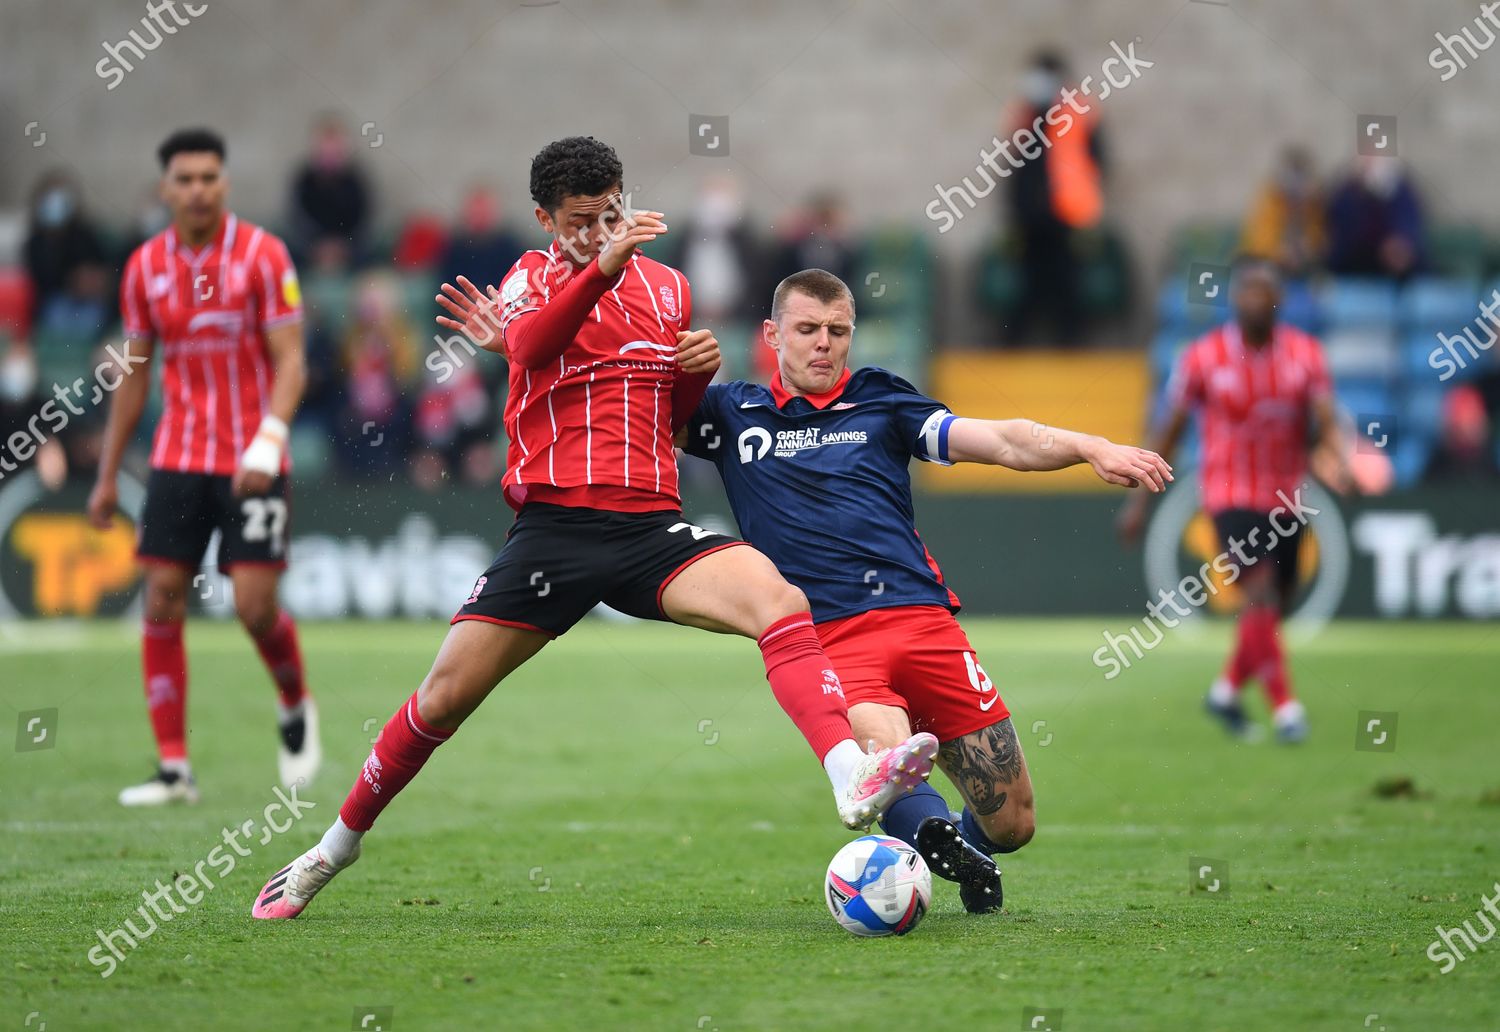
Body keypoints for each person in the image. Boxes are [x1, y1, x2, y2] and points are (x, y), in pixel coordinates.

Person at [250, 137, 936, 921]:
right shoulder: (529, 280)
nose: (602, 231)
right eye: (582, 221)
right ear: (544, 218)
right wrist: (598, 269)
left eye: (612, 212)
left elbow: (672, 422)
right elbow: (532, 349)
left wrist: (695, 379)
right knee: (440, 701)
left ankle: (849, 772)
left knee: (779, 599)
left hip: (649, 527)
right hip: (553, 534)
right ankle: (334, 846)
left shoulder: (668, 288)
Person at [680, 268, 1171, 912]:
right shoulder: (729, 413)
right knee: (888, 767)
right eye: (807, 330)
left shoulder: (884, 401)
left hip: (923, 624)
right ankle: (941, 850)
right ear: (772, 335)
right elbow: (622, 415)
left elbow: (1000, 440)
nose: (824, 344)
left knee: (1013, 822)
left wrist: (1088, 444)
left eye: (838, 330)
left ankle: (968, 848)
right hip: (826, 638)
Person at [87, 128, 320, 804]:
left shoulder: (263, 254)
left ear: (225, 183)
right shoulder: (143, 269)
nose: (197, 190)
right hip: (178, 457)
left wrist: (269, 438)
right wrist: (106, 474)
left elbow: (292, 363)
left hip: (253, 457)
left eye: (209, 177)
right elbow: (134, 379)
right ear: (165, 188)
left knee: (254, 608)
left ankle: (293, 699)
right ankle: (174, 769)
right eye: (184, 179)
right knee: (161, 600)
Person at [1119, 256, 1349, 743]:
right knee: (1259, 591)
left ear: (1278, 300)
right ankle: (1287, 710)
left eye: (1263, 291)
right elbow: (1172, 429)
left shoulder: (1306, 355)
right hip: (1230, 494)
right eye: (1245, 291)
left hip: (1287, 497)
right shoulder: (1202, 357)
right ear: (1234, 299)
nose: (1253, 300)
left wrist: (1339, 458)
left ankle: (1225, 691)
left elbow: (1325, 417)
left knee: (1274, 608)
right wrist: (1140, 500)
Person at [1002, 49, 1105, 346]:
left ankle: (1071, 346)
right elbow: (1013, 164)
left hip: (1069, 215)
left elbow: (1097, 161)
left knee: (1068, 283)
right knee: (1027, 281)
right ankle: (1014, 347)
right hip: (1029, 217)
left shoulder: (1081, 113)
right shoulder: (1024, 113)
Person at [289, 114, 372, 272]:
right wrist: (317, 247)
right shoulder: (303, 182)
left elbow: (363, 224)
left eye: (335, 150)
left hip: (350, 254)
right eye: (326, 149)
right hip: (310, 252)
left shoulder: (356, 183)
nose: (330, 156)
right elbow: (297, 221)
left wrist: (343, 247)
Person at [1325, 156, 1425, 281]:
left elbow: (1409, 232)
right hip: (1355, 272)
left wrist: (1400, 245)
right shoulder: (1346, 196)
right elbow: (1340, 244)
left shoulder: (1402, 194)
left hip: (1397, 278)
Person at [1240, 146, 1325, 278]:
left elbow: (1318, 237)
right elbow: (1261, 242)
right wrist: (1281, 253)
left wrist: (1307, 249)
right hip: (1265, 262)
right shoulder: (1271, 200)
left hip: (1302, 266)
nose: (1297, 186)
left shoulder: (1312, 204)